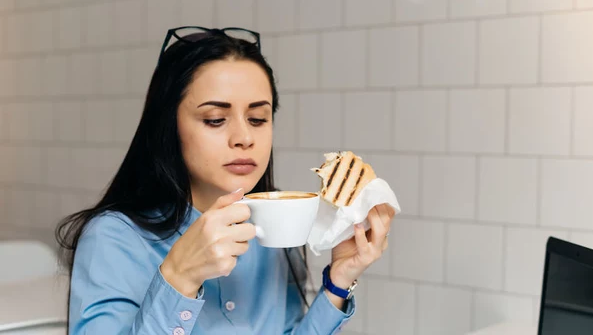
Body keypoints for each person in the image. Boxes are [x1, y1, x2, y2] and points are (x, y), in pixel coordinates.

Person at [55, 26, 395, 335]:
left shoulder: (276, 227)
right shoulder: (114, 239)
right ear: (168, 127)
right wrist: (179, 278)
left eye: (258, 118)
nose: (244, 137)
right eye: (216, 119)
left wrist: (339, 281)